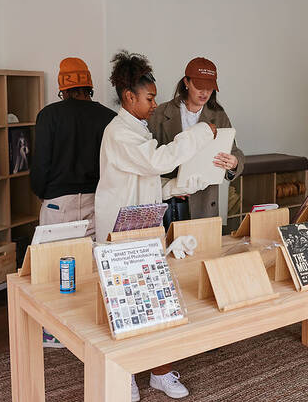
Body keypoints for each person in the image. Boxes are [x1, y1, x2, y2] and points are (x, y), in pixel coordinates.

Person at [95, 50, 216, 401]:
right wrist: (199, 136)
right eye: (148, 98)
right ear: (129, 97)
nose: (153, 104)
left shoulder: (136, 129)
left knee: (159, 300)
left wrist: (183, 185)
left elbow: (150, 182)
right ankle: (128, 374)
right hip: (122, 230)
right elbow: (155, 161)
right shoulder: (118, 133)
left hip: (143, 226)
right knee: (126, 304)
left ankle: (160, 372)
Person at [30, 57, 116, 348]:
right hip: (97, 199)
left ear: (62, 88)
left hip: (58, 200)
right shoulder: (107, 117)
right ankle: (89, 327)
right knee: (91, 266)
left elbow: (40, 162)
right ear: (89, 85)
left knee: (54, 266)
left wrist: (42, 192)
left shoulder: (49, 115)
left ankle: (53, 332)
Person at [148, 57, 244, 223]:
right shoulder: (161, 112)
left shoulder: (218, 115)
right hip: (169, 200)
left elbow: (234, 152)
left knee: (204, 248)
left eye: (210, 88)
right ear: (186, 82)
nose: (205, 93)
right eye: (199, 87)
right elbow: (148, 158)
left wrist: (234, 163)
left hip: (204, 201)